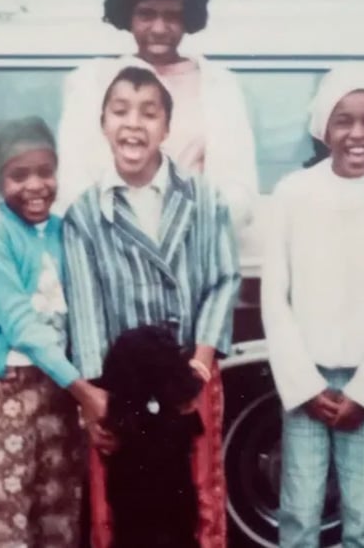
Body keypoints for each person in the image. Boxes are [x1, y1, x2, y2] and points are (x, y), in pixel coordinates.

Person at [63, 66, 241, 548]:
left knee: (197, 499)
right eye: (120, 111)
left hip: (189, 371)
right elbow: (85, 310)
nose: (134, 124)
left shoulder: (203, 197)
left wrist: (201, 364)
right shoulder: (84, 214)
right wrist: (95, 402)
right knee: (122, 507)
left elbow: (224, 279)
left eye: (149, 112)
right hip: (119, 388)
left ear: (167, 126)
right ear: (103, 124)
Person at [261, 66, 364, 548]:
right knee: (299, 512)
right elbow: (277, 296)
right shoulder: (294, 193)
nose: (358, 134)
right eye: (344, 121)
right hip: (306, 383)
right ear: (323, 128)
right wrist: (306, 386)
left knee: (362, 518)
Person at [0, 116, 106, 547]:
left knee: (58, 510)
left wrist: (78, 384)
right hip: (4, 386)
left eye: (46, 171)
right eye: (18, 175)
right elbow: (20, 321)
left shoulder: (64, 230)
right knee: (7, 513)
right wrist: (83, 389)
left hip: (57, 389)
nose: (36, 185)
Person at [55, 0, 258, 229]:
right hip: (112, 250)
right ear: (127, 12)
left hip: (195, 250)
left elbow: (241, 193)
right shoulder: (91, 82)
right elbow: (73, 187)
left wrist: (186, 221)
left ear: (189, 16)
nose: (160, 28)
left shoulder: (219, 86)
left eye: (172, 15)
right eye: (147, 14)